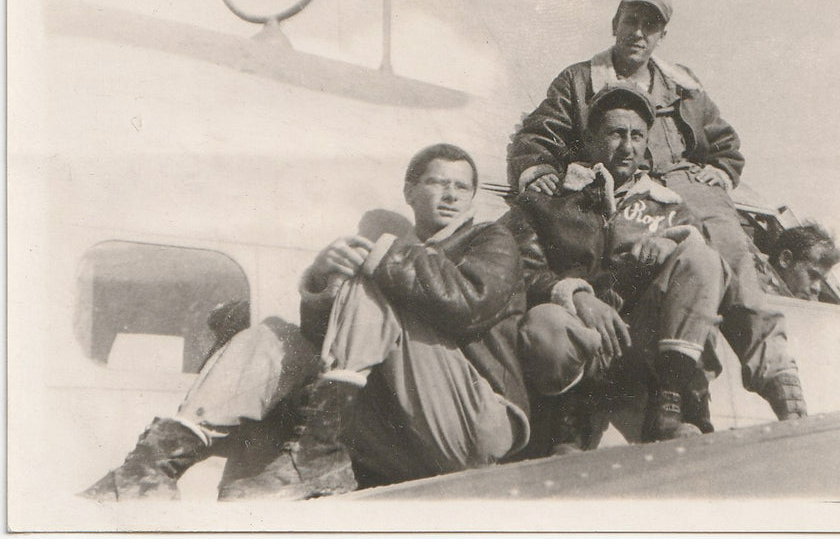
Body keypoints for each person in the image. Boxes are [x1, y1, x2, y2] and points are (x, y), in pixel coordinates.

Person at [81, 144, 529, 501]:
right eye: (437, 182)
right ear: (410, 191)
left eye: (462, 187)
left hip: (475, 424)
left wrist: (378, 259)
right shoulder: (398, 250)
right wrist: (322, 276)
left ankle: (319, 453)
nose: (451, 195)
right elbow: (325, 341)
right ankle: (154, 464)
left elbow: (471, 304)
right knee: (274, 336)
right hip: (400, 430)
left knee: (369, 279)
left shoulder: (491, 239)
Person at [504, 85, 806, 456]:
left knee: (701, 257)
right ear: (590, 138)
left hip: (644, 349)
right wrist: (576, 294)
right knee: (546, 323)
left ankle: (673, 403)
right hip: (582, 342)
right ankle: (568, 419)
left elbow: (711, 280)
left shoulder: (670, 208)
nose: (627, 146)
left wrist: (677, 243)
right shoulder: (549, 200)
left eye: (636, 136)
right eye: (615, 133)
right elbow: (516, 269)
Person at [508, 0, 770, 383]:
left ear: (662, 36)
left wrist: (721, 168)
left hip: (679, 189)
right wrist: (538, 169)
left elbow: (724, 142)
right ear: (615, 23)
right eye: (631, 21)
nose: (639, 33)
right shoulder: (578, 81)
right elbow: (539, 133)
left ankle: (772, 370)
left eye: (651, 26)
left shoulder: (685, 89)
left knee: (728, 250)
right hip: (618, 187)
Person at [757, 223, 840, 301]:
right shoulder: (754, 289)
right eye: (812, 275)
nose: (817, 288)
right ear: (785, 260)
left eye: (821, 281)